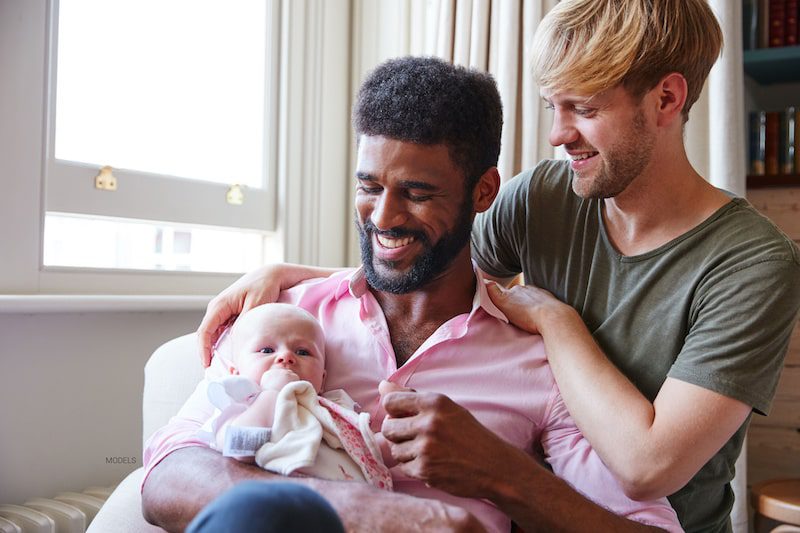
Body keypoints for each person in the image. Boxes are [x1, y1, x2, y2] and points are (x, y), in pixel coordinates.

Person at [195, 2, 800, 532]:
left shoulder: (751, 264)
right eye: (552, 106)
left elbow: (649, 467)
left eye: (584, 108)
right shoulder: (546, 196)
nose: (558, 135)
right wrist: (296, 274)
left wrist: (557, 322)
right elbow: (432, 254)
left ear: (666, 98)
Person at [143, 56, 683, 533]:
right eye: (369, 187)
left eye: (417, 194)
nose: (383, 218)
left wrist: (503, 476)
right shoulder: (285, 316)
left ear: (484, 192)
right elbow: (167, 476)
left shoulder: (538, 363)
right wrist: (373, 513)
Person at [200, 303, 392, 489]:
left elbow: (366, 452)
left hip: (352, 508)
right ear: (236, 373)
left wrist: (395, 435)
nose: (286, 357)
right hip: (282, 503)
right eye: (267, 350)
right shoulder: (241, 405)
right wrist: (272, 393)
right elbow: (240, 448)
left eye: (302, 352)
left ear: (322, 380)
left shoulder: (333, 409)